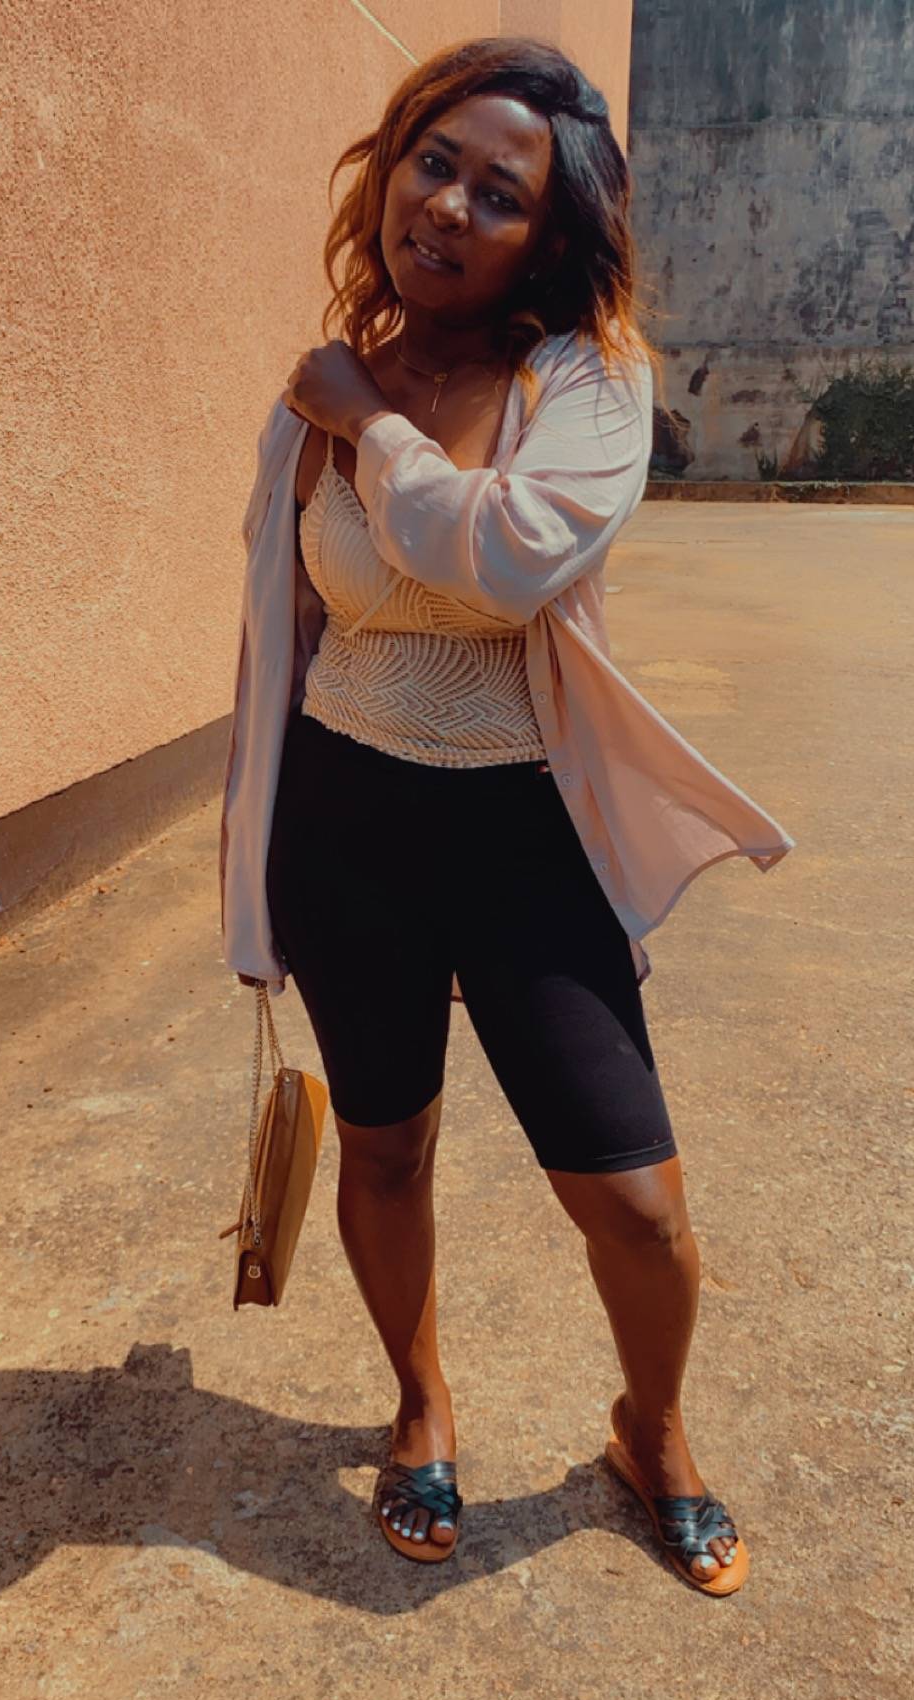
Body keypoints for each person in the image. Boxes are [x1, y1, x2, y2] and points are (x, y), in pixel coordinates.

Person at [219, 36, 796, 1594]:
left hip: (524, 831)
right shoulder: (325, 383)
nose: (448, 207)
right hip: (348, 821)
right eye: (434, 163)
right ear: (390, 165)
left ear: (550, 234)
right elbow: (287, 621)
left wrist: (371, 423)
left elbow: (505, 558)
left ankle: (651, 1433)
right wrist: (257, 853)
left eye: (498, 192)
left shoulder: (589, 380)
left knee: (635, 1201)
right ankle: (420, 1404)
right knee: (387, 1144)